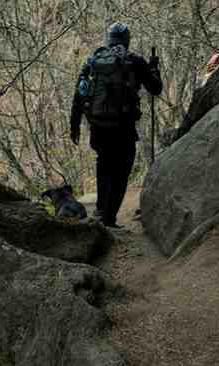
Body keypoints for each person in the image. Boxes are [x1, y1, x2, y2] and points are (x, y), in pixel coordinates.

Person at [69, 22, 162, 228]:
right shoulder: (135, 61)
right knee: (121, 171)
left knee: (104, 167)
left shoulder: (93, 61)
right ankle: (109, 218)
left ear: (109, 39)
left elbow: (80, 94)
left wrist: (74, 125)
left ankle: (101, 213)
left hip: (99, 126)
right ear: (127, 40)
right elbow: (155, 88)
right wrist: (154, 68)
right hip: (124, 127)